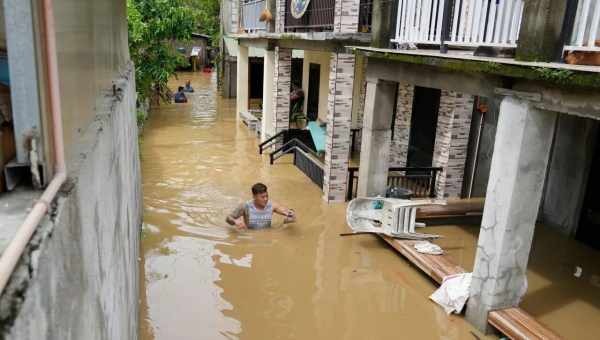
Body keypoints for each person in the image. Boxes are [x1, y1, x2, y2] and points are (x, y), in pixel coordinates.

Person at [226, 183, 296, 230]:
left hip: (267, 236)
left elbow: (287, 211)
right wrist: (235, 221)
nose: (266, 199)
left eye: (267, 196)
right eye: (262, 197)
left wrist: (291, 215)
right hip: (250, 236)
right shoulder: (245, 206)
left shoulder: (272, 205)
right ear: (254, 197)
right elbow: (228, 218)